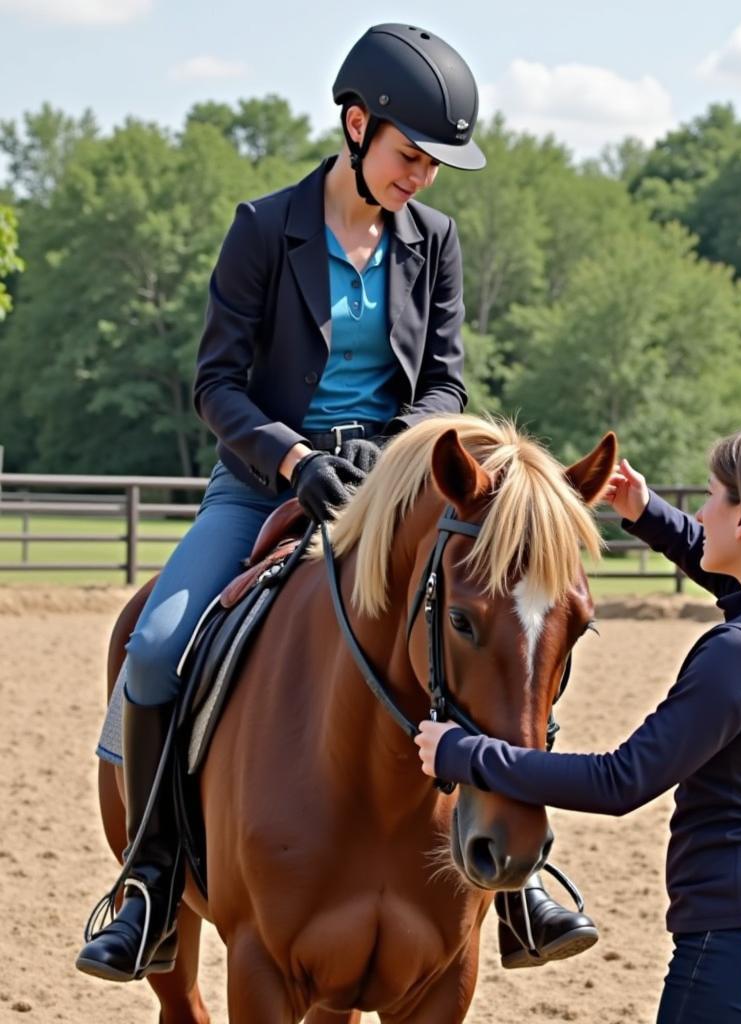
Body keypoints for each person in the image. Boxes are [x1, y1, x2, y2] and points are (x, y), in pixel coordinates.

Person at [77, 23, 592, 983]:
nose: (422, 179)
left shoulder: (434, 244)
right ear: (357, 125)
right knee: (154, 645)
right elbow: (218, 384)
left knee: (499, 624)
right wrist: (292, 459)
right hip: (266, 480)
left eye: (436, 165)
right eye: (411, 156)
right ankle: (149, 886)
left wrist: (400, 456)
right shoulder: (264, 229)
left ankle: (519, 886)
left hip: (395, 490)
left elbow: (443, 384)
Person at [417, 426, 741, 1023]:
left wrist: (465, 753)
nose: (701, 509)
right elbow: (732, 578)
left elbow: (622, 781)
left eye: (712, 495)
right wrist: (645, 512)